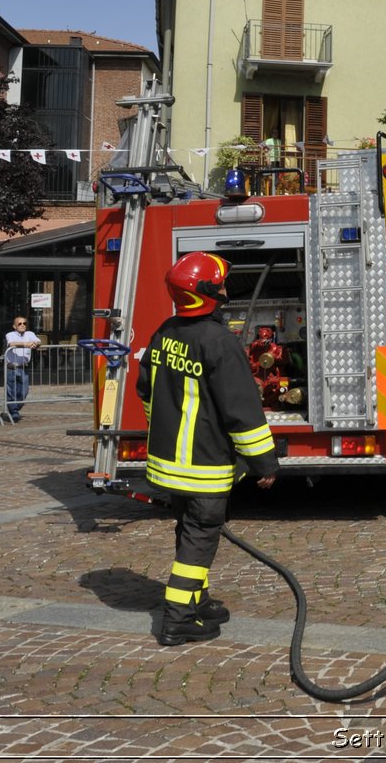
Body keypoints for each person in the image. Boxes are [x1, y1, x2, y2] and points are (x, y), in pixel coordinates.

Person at [137, 251, 278, 647]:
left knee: (188, 530)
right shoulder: (219, 342)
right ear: (207, 293)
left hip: (168, 464)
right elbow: (242, 410)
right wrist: (263, 462)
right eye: (220, 283)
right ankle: (178, 618)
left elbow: (146, 391)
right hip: (204, 465)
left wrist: (163, 432)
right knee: (200, 537)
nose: (226, 288)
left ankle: (197, 602)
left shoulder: (164, 332)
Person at [1, 316, 41, 423]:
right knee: (11, 391)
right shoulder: (10, 334)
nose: (22, 325)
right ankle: (14, 413)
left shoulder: (30, 334)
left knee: (24, 392)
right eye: (19, 323)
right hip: (12, 367)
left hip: (24, 367)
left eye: (24, 323)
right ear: (14, 326)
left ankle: (13, 409)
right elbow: (11, 343)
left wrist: (35, 344)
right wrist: (25, 344)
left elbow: (38, 341)